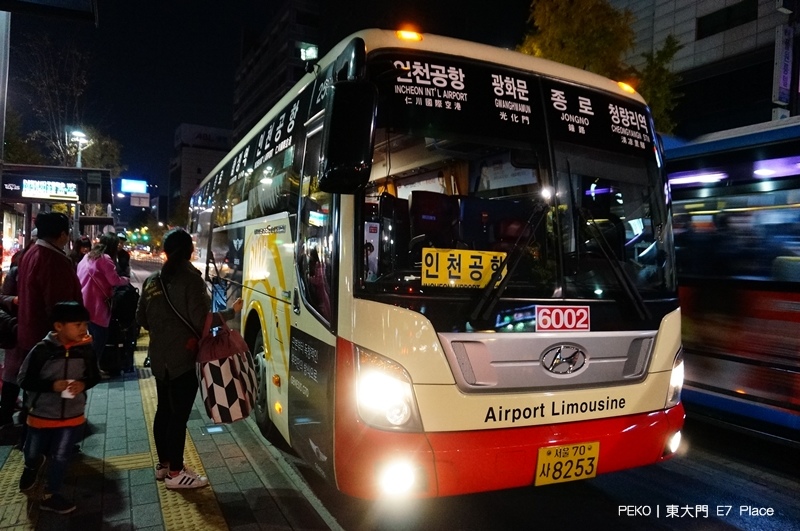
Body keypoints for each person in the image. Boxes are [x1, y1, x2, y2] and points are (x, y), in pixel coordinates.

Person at [136, 228, 243, 489]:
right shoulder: (191, 280)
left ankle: (163, 465)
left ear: (164, 251)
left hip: (159, 357)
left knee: (163, 410)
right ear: (190, 252)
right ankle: (175, 473)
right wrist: (232, 312)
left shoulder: (151, 281)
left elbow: (142, 320)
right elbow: (201, 321)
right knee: (178, 416)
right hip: (183, 357)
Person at [17, 301, 100, 514]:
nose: (83, 329)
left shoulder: (86, 351)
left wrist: (83, 384)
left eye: (85, 324)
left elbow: (94, 377)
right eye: (77, 324)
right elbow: (24, 379)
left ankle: (51, 493)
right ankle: (33, 466)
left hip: (72, 416)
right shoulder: (42, 351)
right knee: (32, 453)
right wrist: (52, 386)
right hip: (41, 415)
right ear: (59, 326)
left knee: (62, 456)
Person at [76, 233, 130, 378]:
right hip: (97, 304)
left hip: (83, 302)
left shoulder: (88, 256)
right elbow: (114, 280)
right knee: (99, 338)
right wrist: (125, 280)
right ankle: (92, 370)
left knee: (89, 338)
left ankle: (88, 368)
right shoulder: (105, 259)